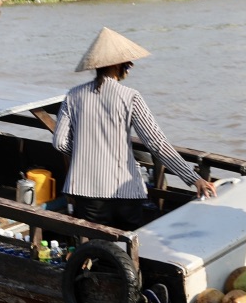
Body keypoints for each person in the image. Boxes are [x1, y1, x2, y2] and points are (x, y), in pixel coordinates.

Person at [53, 27, 216, 230]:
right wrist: (194, 179)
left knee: (96, 248)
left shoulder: (73, 95)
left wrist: (82, 154)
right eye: (126, 61)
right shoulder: (130, 97)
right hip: (125, 191)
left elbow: (60, 143)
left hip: (85, 191)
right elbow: (157, 144)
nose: (130, 66)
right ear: (115, 64)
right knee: (129, 249)